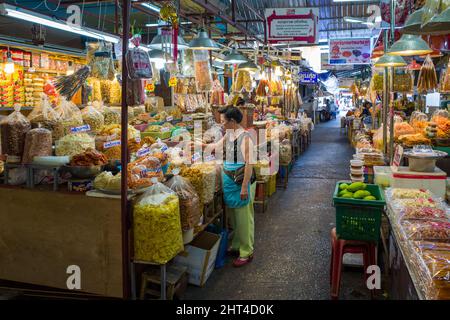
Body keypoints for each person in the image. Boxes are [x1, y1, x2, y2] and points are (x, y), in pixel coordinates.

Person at [203, 105, 256, 267]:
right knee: (234, 217)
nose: (222, 125)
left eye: (224, 122)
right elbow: (216, 147)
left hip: (241, 182)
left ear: (232, 121)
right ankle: (238, 245)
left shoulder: (245, 138)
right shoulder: (229, 134)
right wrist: (199, 145)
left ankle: (247, 251)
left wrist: (245, 187)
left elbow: (249, 164)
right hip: (229, 181)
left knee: (244, 219)